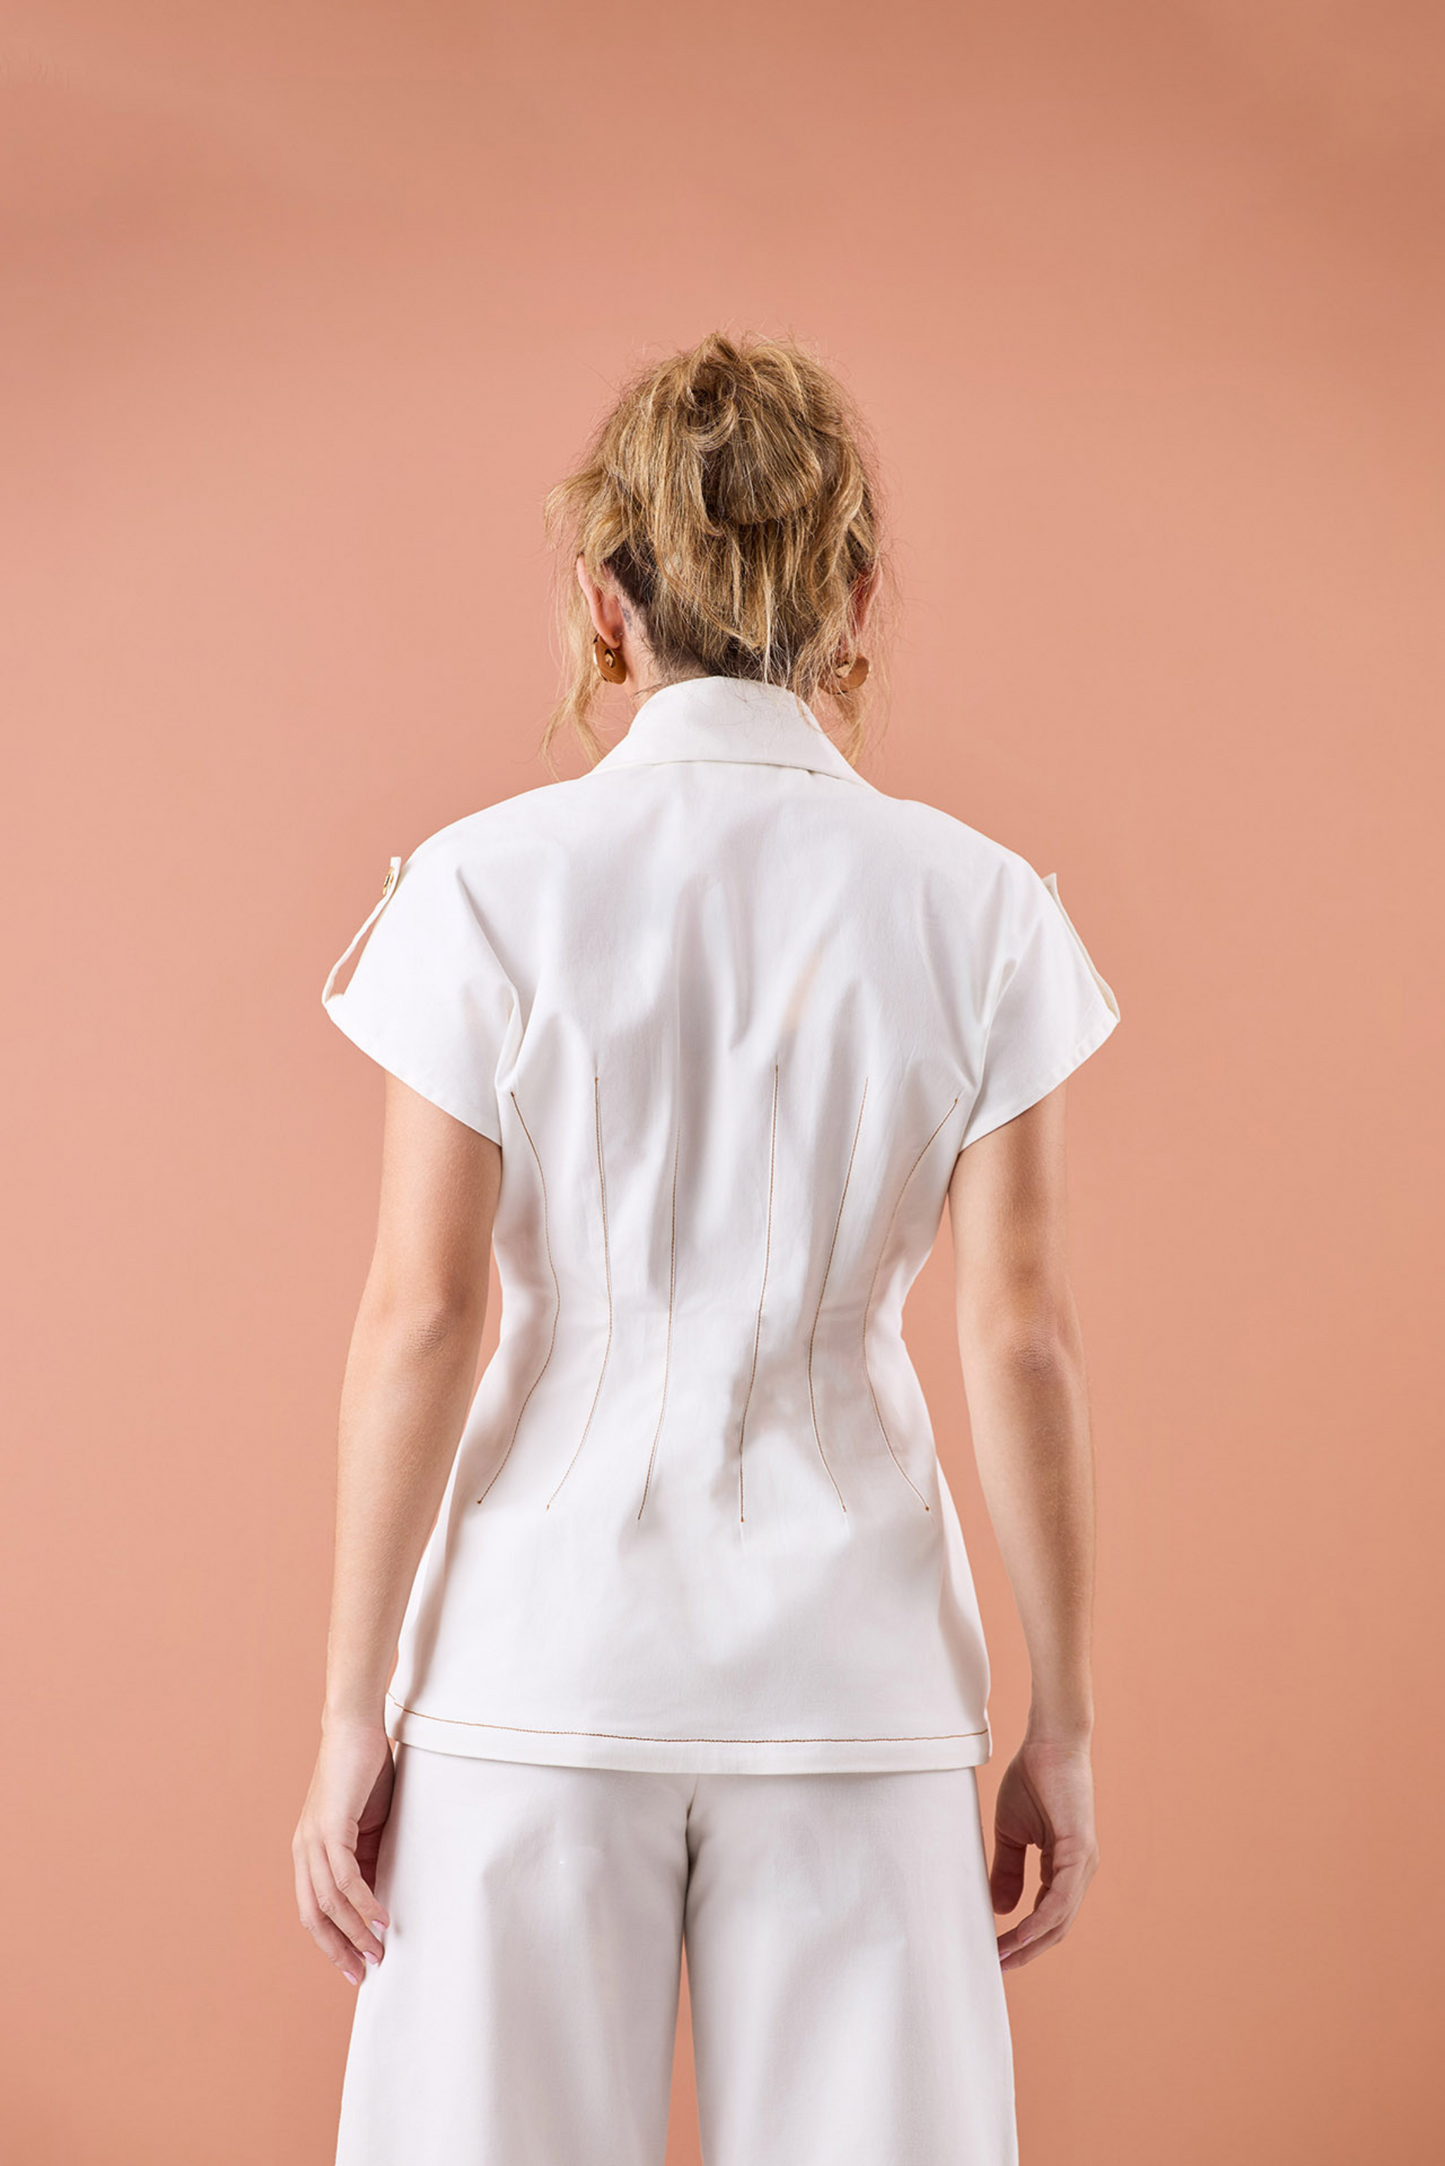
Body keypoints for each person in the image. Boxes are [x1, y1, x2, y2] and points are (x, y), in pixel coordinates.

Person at [293, 331, 1121, 2166]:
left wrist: (352, 1708)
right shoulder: (982, 907)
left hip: (531, 1665)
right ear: (855, 600)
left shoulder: (480, 886)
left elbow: (423, 1314)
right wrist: (1061, 1722)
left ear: (607, 605)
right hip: (855, 1672)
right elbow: (1021, 1340)